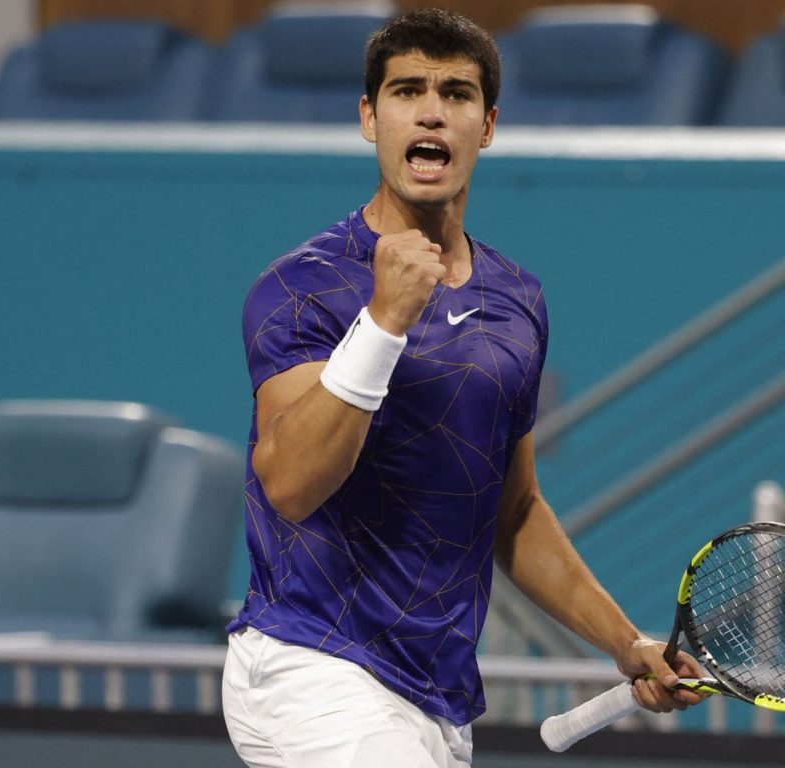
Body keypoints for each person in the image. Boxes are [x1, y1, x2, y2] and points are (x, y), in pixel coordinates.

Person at [222, 8, 705, 768]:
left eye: (456, 92)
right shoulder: (301, 288)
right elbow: (288, 483)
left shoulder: (519, 301)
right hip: (312, 665)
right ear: (368, 117)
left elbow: (513, 510)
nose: (431, 110)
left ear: (486, 126)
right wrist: (383, 323)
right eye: (407, 89)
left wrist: (626, 641)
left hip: (436, 699)